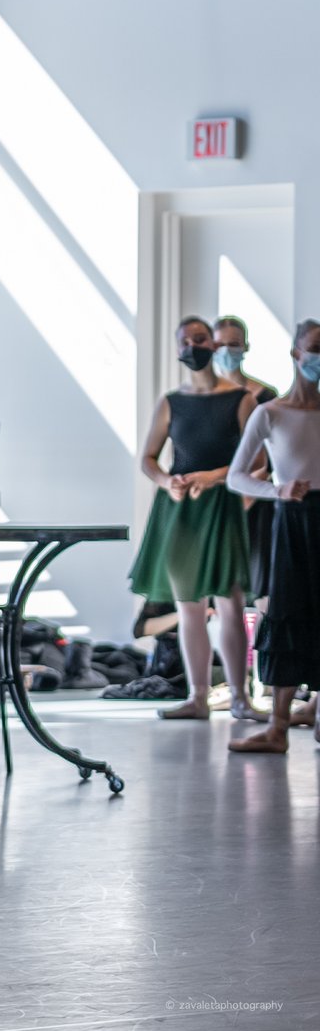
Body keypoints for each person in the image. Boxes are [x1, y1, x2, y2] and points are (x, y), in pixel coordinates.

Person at [128, 315, 258, 720]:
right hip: (180, 509)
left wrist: (213, 477)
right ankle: (198, 696)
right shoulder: (172, 401)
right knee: (189, 607)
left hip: (221, 507)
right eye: (184, 341)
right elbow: (148, 459)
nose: (192, 346)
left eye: (199, 339)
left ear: (214, 344)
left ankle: (240, 698)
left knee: (230, 603)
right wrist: (168, 482)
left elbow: (258, 463)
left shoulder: (241, 399)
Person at [227, 319, 320, 753]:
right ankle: (278, 728)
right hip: (291, 519)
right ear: (296, 354)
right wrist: (277, 490)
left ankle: (314, 716)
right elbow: (236, 477)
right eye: (315, 348)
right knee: (284, 612)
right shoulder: (271, 412)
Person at [213, 315, 278, 614]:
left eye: (234, 344)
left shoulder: (264, 397)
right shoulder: (205, 399)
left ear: (246, 347)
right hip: (216, 501)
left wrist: (247, 495)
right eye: (222, 344)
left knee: (260, 582)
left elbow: (268, 457)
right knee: (223, 588)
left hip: (253, 500)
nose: (228, 351)